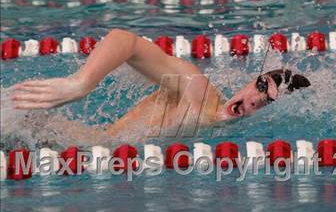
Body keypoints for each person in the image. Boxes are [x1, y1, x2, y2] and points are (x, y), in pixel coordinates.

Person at [11, 29, 310, 142]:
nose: (256, 99)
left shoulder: (222, 139)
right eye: (260, 85)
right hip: (48, 133)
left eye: (268, 101)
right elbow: (124, 41)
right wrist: (80, 84)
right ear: (250, 80)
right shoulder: (198, 90)